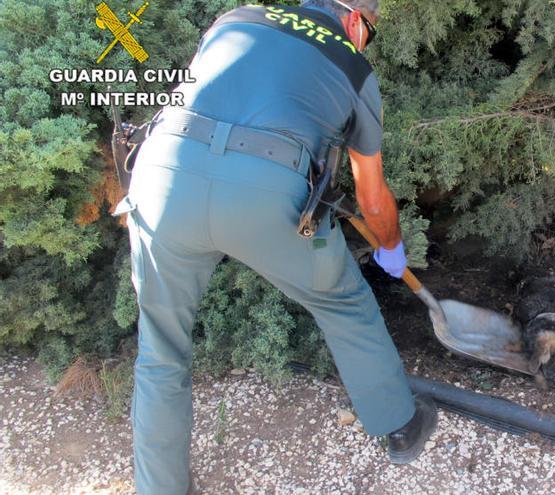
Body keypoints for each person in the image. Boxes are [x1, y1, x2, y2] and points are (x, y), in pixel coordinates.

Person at [113, 1, 437, 493]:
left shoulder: (237, 17)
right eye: (370, 31)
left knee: (161, 347)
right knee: (344, 302)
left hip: (162, 175)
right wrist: (391, 246)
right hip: (264, 194)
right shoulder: (353, 67)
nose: (366, 40)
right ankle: (399, 427)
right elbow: (371, 195)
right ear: (355, 20)